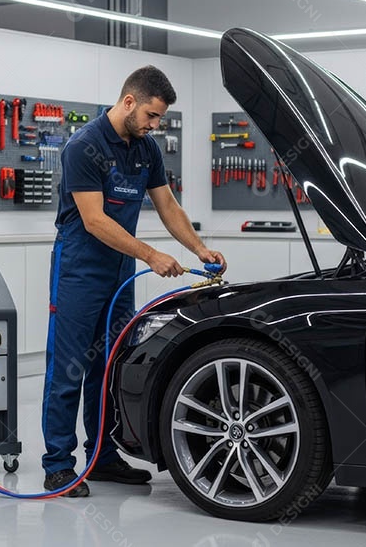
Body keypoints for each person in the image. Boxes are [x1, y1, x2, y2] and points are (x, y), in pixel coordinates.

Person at [42, 65, 227, 497]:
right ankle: (57, 465)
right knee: (69, 369)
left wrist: (198, 248)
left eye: (159, 119)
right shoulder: (82, 147)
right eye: (151, 115)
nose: (154, 125)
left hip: (119, 272)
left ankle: (102, 457)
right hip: (79, 270)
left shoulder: (146, 148)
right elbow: (93, 220)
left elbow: (168, 206)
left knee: (108, 368)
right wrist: (151, 254)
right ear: (129, 102)